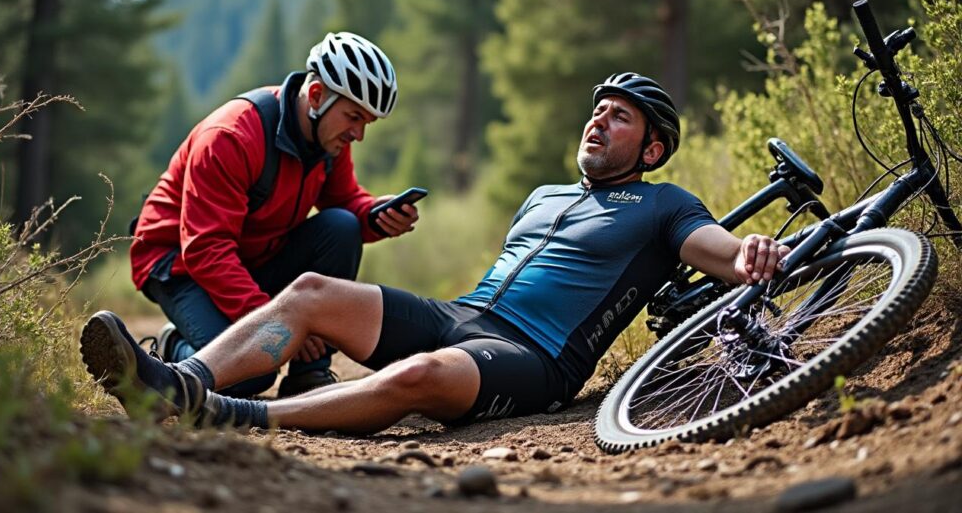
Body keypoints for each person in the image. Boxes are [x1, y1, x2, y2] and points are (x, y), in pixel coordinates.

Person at [85, 72, 789, 432]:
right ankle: (174, 381)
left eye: (620, 116)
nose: (598, 120)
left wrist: (750, 252)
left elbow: (718, 253)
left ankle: (235, 414)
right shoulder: (543, 195)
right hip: (462, 314)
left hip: (533, 358)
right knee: (307, 292)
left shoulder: (664, 203)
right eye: (597, 109)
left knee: (421, 372)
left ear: (653, 147)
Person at [128, 32, 419, 399]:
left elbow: (345, 203)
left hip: (250, 256)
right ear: (316, 96)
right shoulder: (230, 137)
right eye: (354, 116)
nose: (359, 134)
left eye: (368, 123)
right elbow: (206, 249)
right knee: (247, 376)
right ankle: (172, 348)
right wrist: (279, 322)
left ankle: (309, 374)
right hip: (179, 263)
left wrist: (375, 216)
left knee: (341, 226)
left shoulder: (328, 138)